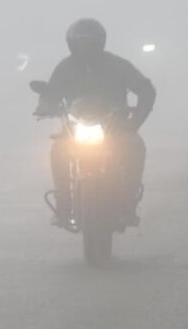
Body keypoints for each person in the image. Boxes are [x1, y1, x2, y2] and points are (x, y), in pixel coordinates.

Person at [35, 18, 155, 226]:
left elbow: (146, 89)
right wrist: (45, 106)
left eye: (90, 42)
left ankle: (128, 203)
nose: (86, 48)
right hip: (75, 127)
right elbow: (51, 93)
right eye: (81, 43)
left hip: (114, 126)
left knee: (135, 146)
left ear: (101, 42)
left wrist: (135, 121)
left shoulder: (118, 65)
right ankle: (64, 205)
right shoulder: (65, 67)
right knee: (58, 151)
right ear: (71, 44)